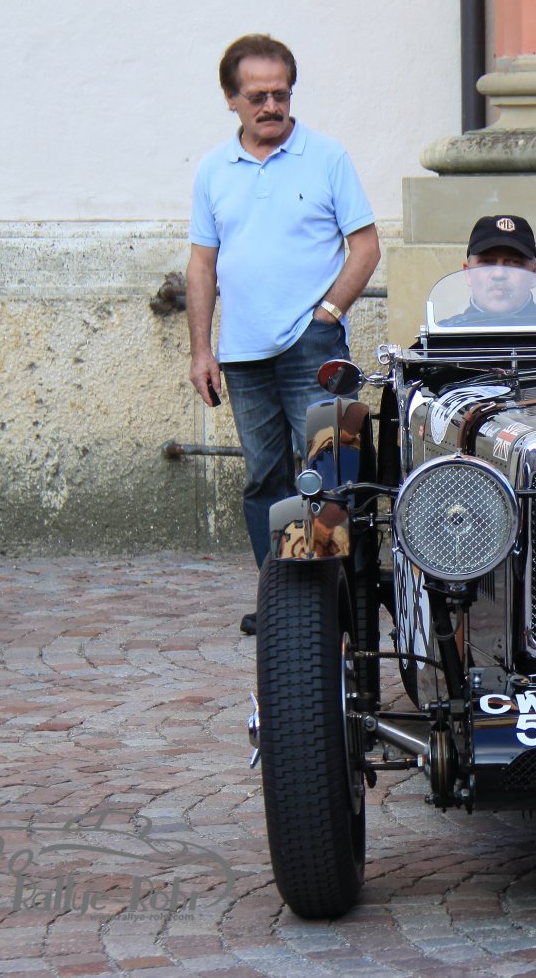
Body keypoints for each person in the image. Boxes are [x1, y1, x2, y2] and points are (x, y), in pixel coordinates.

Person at [184, 33, 381, 632]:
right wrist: (201, 349)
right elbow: (202, 265)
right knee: (264, 479)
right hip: (243, 354)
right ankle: (286, 604)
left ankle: (339, 607)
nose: (271, 106)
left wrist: (327, 315)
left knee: (330, 475)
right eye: (258, 96)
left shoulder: (327, 157)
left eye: (281, 94)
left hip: (313, 346)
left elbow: (366, 247)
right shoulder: (213, 170)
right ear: (230, 99)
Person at [438, 215, 536, 326]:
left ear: (534, 275)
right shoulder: (442, 336)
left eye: (514, 263)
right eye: (487, 262)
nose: (499, 274)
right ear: (468, 273)